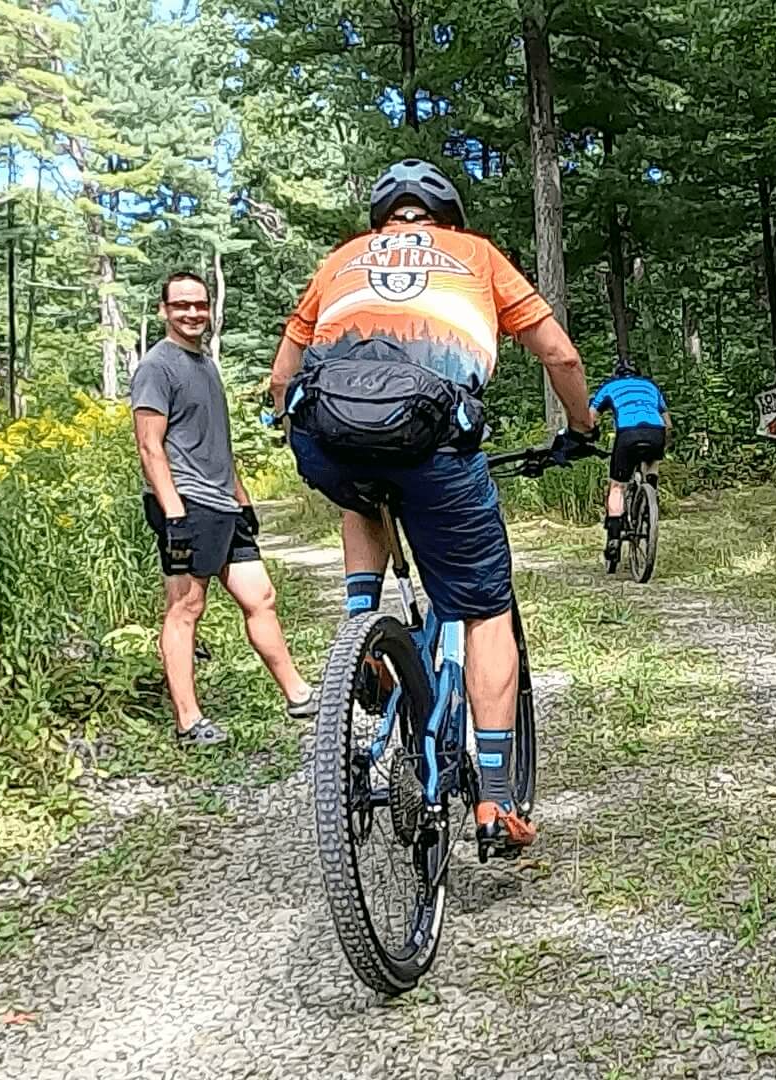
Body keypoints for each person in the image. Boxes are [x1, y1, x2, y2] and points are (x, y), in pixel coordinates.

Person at [267, 159, 598, 856]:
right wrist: (581, 430)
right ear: (446, 216)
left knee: (360, 488)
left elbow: (280, 376)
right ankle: (497, 801)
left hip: (327, 435)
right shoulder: (475, 254)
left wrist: (292, 426)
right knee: (485, 609)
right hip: (433, 439)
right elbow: (561, 357)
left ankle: (363, 633)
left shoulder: (342, 260)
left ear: (383, 217)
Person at [133, 271, 318, 747]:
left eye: (199, 305)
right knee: (185, 608)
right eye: (181, 306)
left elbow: (216, 443)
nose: (192, 313)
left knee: (261, 599)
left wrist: (242, 498)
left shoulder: (205, 363)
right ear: (163, 311)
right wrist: (174, 516)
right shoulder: (158, 366)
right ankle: (189, 721)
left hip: (222, 506)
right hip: (185, 505)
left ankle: (299, 694)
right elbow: (151, 448)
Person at [587, 359, 671, 570]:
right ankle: (649, 498)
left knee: (617, 486)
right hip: (655, 431)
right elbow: (668, 423)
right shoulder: (650, 386)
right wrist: (663, 444)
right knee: (652, 463)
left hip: (627, 433)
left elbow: (590, 418)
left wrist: (589, 435)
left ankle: (614, 536)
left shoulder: (610, 386)